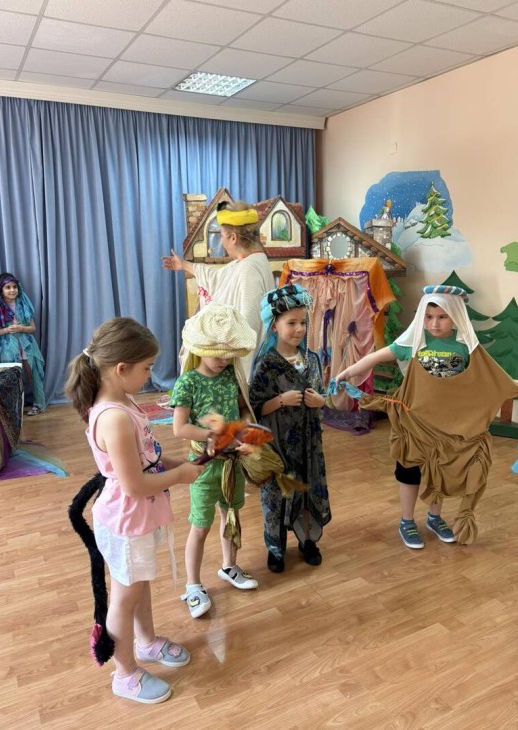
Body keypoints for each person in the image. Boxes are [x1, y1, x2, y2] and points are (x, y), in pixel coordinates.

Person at [334, 284, 518, 549]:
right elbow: (374, 358)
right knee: (409, 474)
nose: (434, 323)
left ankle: (434, 518)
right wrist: (347, 373)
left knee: (442, 471)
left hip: (447, 426)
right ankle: (406, 521)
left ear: (455, 316)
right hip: (413, 425)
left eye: (442, 317)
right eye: (429, 316)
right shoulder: (412, 343)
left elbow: (492, 377)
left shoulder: (466, 347)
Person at [65, 317, 202, 704]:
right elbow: (135, 485)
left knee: (138, 585)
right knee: (124, 599)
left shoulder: (124, 401)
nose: (150, 375)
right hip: (127, 521)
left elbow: (147, 458)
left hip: (138, 517)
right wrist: (181, 477)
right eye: (147, 368)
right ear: (122, 369)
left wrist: (177, 463)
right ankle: (124, 674)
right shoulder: (113, 417)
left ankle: (146, 641)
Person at [170, 303, 259, 619]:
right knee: (200, 526)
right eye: (218, 354)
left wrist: (243, 431)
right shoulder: (188, 382)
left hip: (232, 464)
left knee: (231, 516)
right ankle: (193, 585)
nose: (224, 360)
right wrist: (214, 435)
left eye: (229, 354)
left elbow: (243, 409)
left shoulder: (232, 375)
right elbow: (180, 428)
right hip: (204, 468)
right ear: (201, 348)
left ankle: (229, 566)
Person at [249, 284, 331, 573]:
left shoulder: (312, 359)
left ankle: (308, 541)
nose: (299, 329)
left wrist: (320, 401)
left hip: (309, 443)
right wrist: (280, 401)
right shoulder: (266, 364)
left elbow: (322, 395)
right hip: (278, 444)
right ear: (274, 325)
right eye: (291, 323)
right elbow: (255, 407)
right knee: (277, 493)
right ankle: (276, 547)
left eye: (303, 323)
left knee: (306, 489)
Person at [162, 200, 275, 380]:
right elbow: (215, 277)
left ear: (233, 238)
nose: (221, 241)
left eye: (222, 235)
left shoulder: (249, 268)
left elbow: (248, 324)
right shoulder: (249, 261)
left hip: (242, 363)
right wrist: (183, 265)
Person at [0, 272, 45, 415]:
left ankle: (38, 403)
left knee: (32, 373)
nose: (12, 290)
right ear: (0, 290)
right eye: (8, 287)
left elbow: (33, 328)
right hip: (7, 347)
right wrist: (7, 330)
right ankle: (12, 407)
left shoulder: (23, 304)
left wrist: (21, 328)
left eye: (14, 287)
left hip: (26, 345)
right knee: (10, 377)